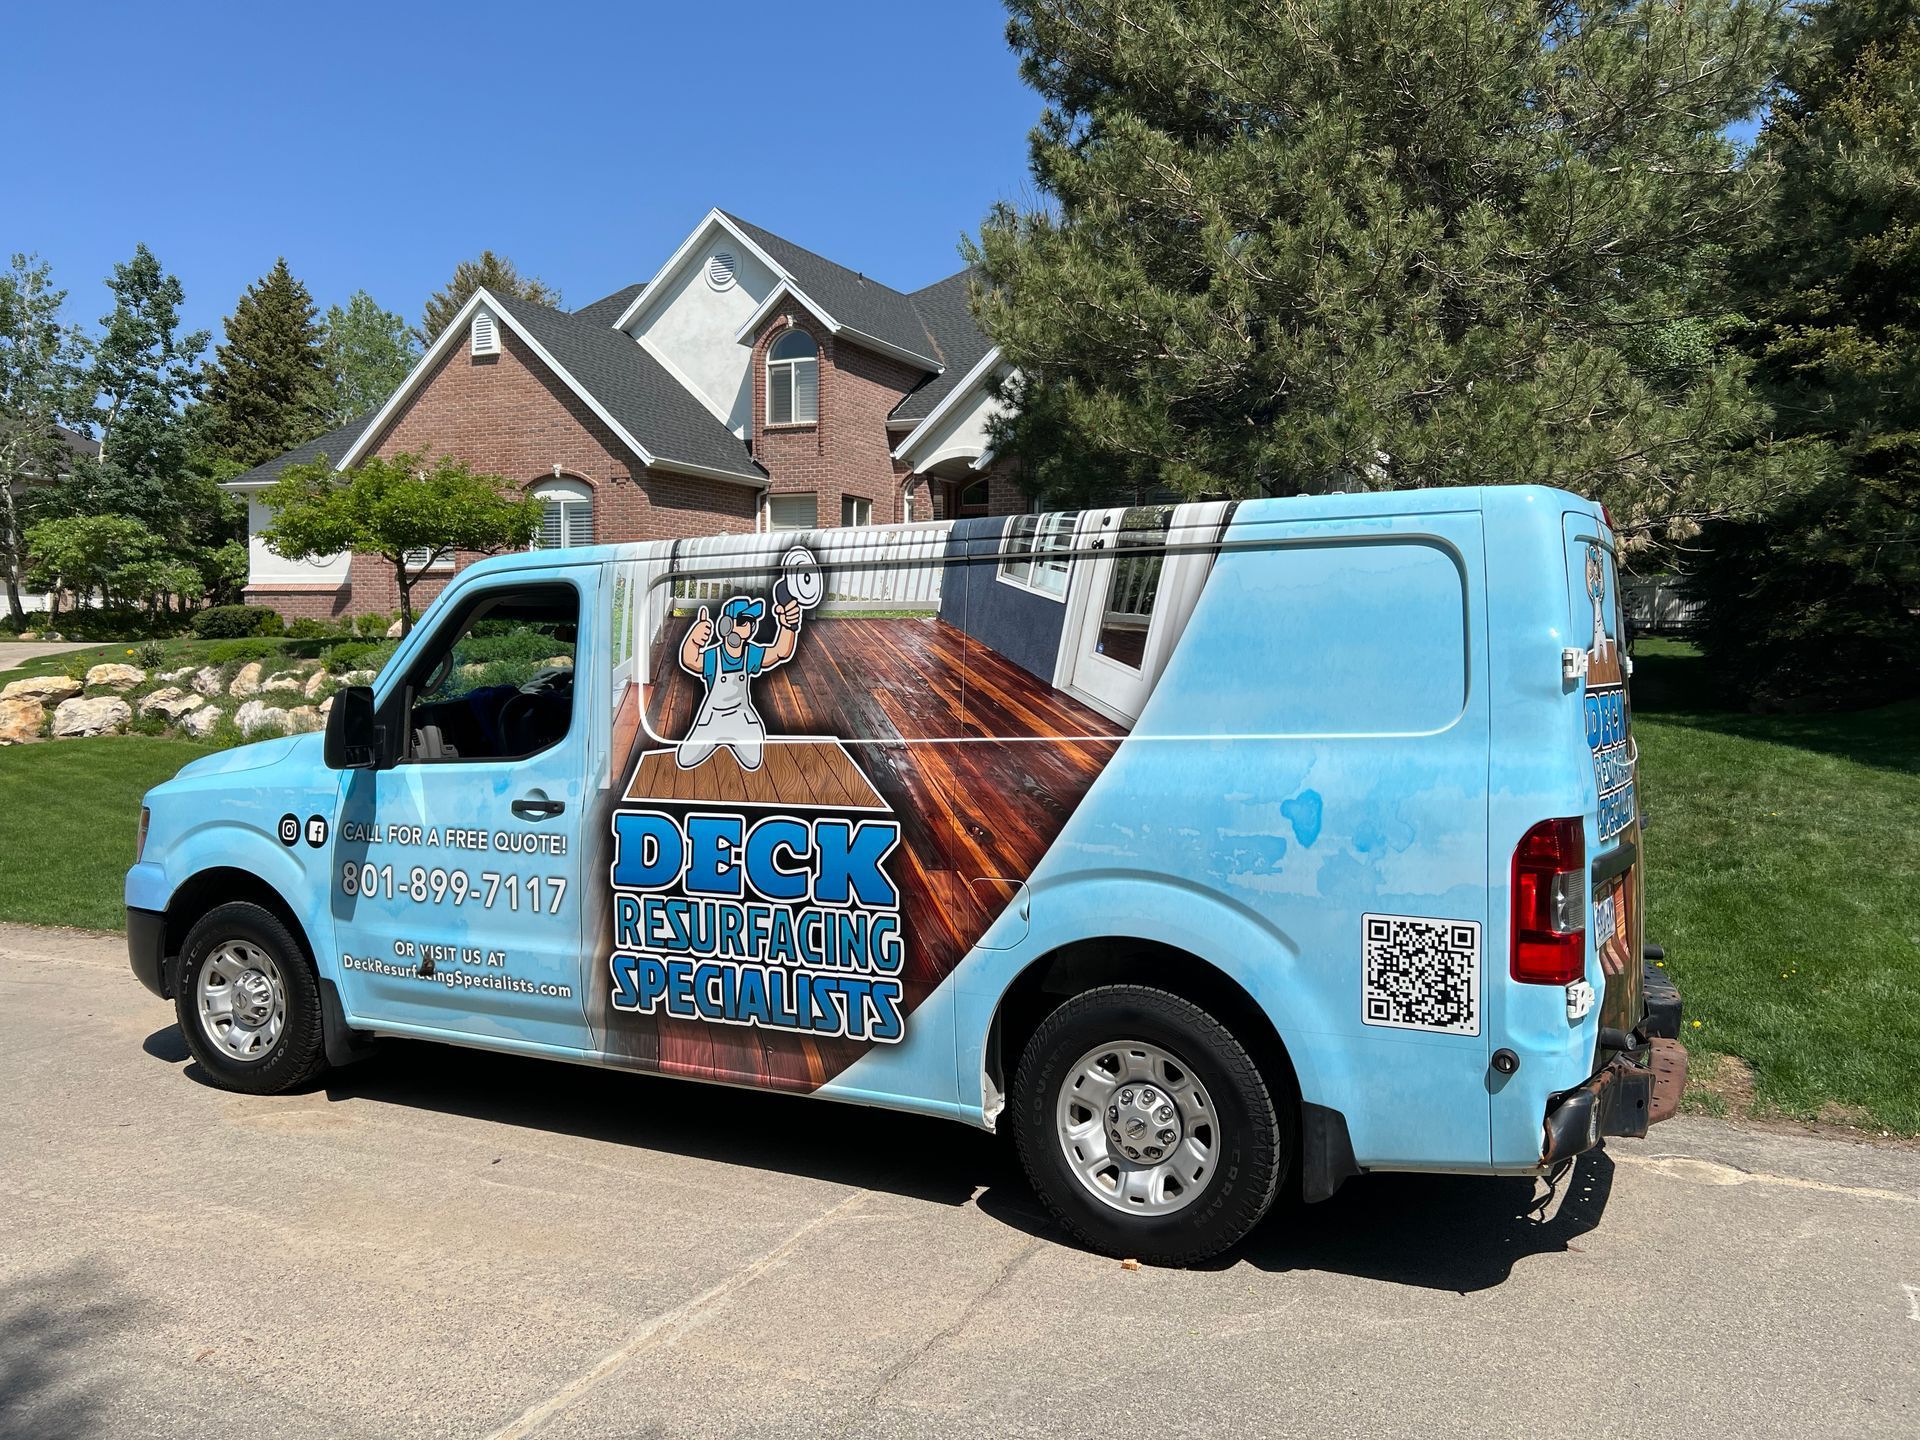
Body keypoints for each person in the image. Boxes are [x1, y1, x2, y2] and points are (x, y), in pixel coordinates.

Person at [674, 591, 803, 770]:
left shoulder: (750, 653)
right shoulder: (714, 656)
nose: (749, 627)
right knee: (685, 759)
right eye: (743, 621)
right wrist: (694, 640)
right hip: (712, 719)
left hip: (740, 718)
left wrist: (788, 626)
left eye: (751, 623)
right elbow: (691, 660)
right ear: (726, 625)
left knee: (753, 761)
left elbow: (780, 651)